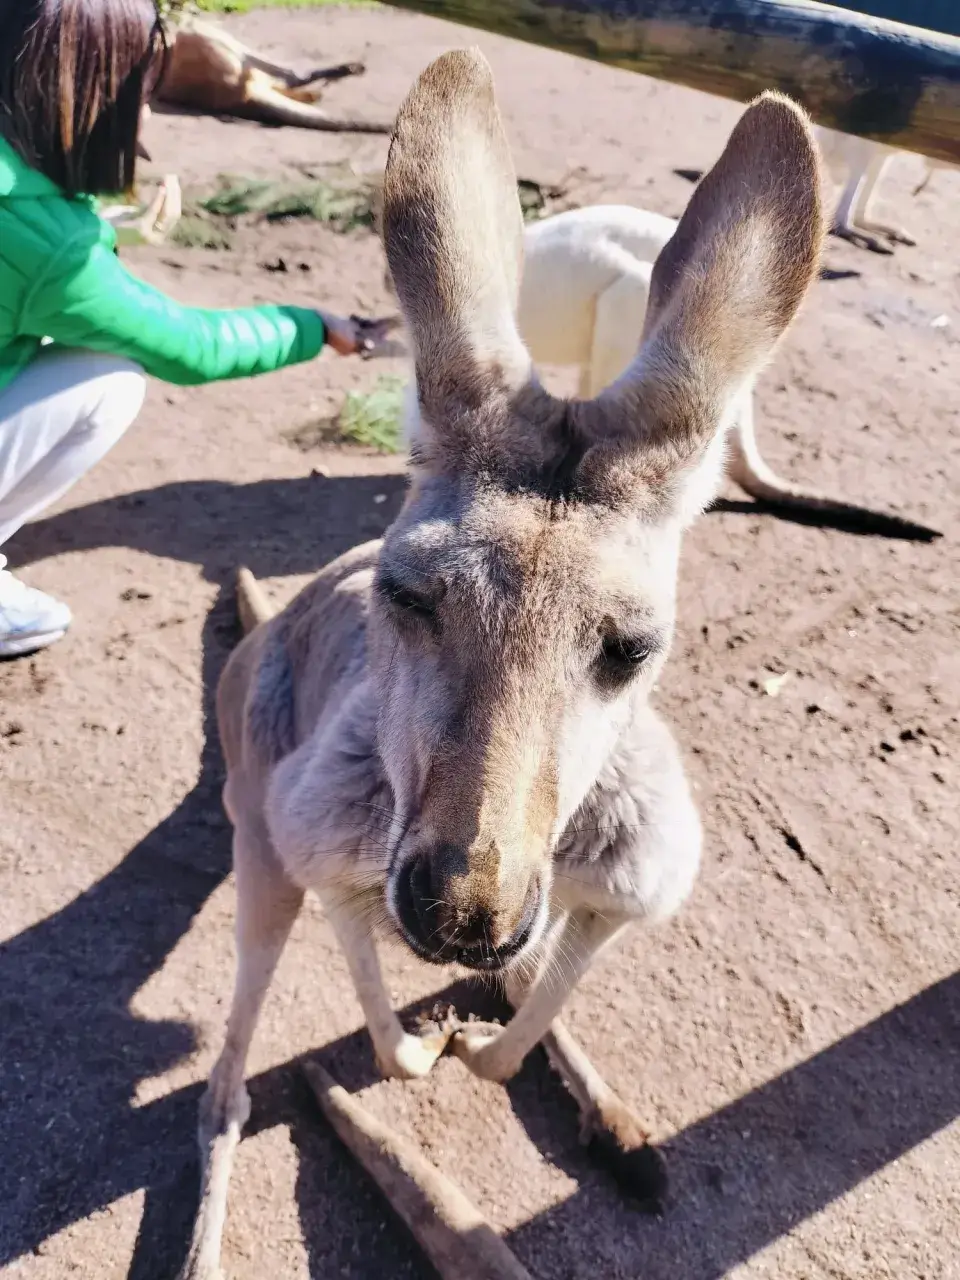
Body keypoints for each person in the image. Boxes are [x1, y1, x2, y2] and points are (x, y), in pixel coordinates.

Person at [0, 0, 378, 658]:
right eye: (142, 89)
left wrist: (100, 233)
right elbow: (191, 347)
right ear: (80, 93)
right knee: (107, 379)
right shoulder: (53, 252)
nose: (147, 112)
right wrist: (313, 325)